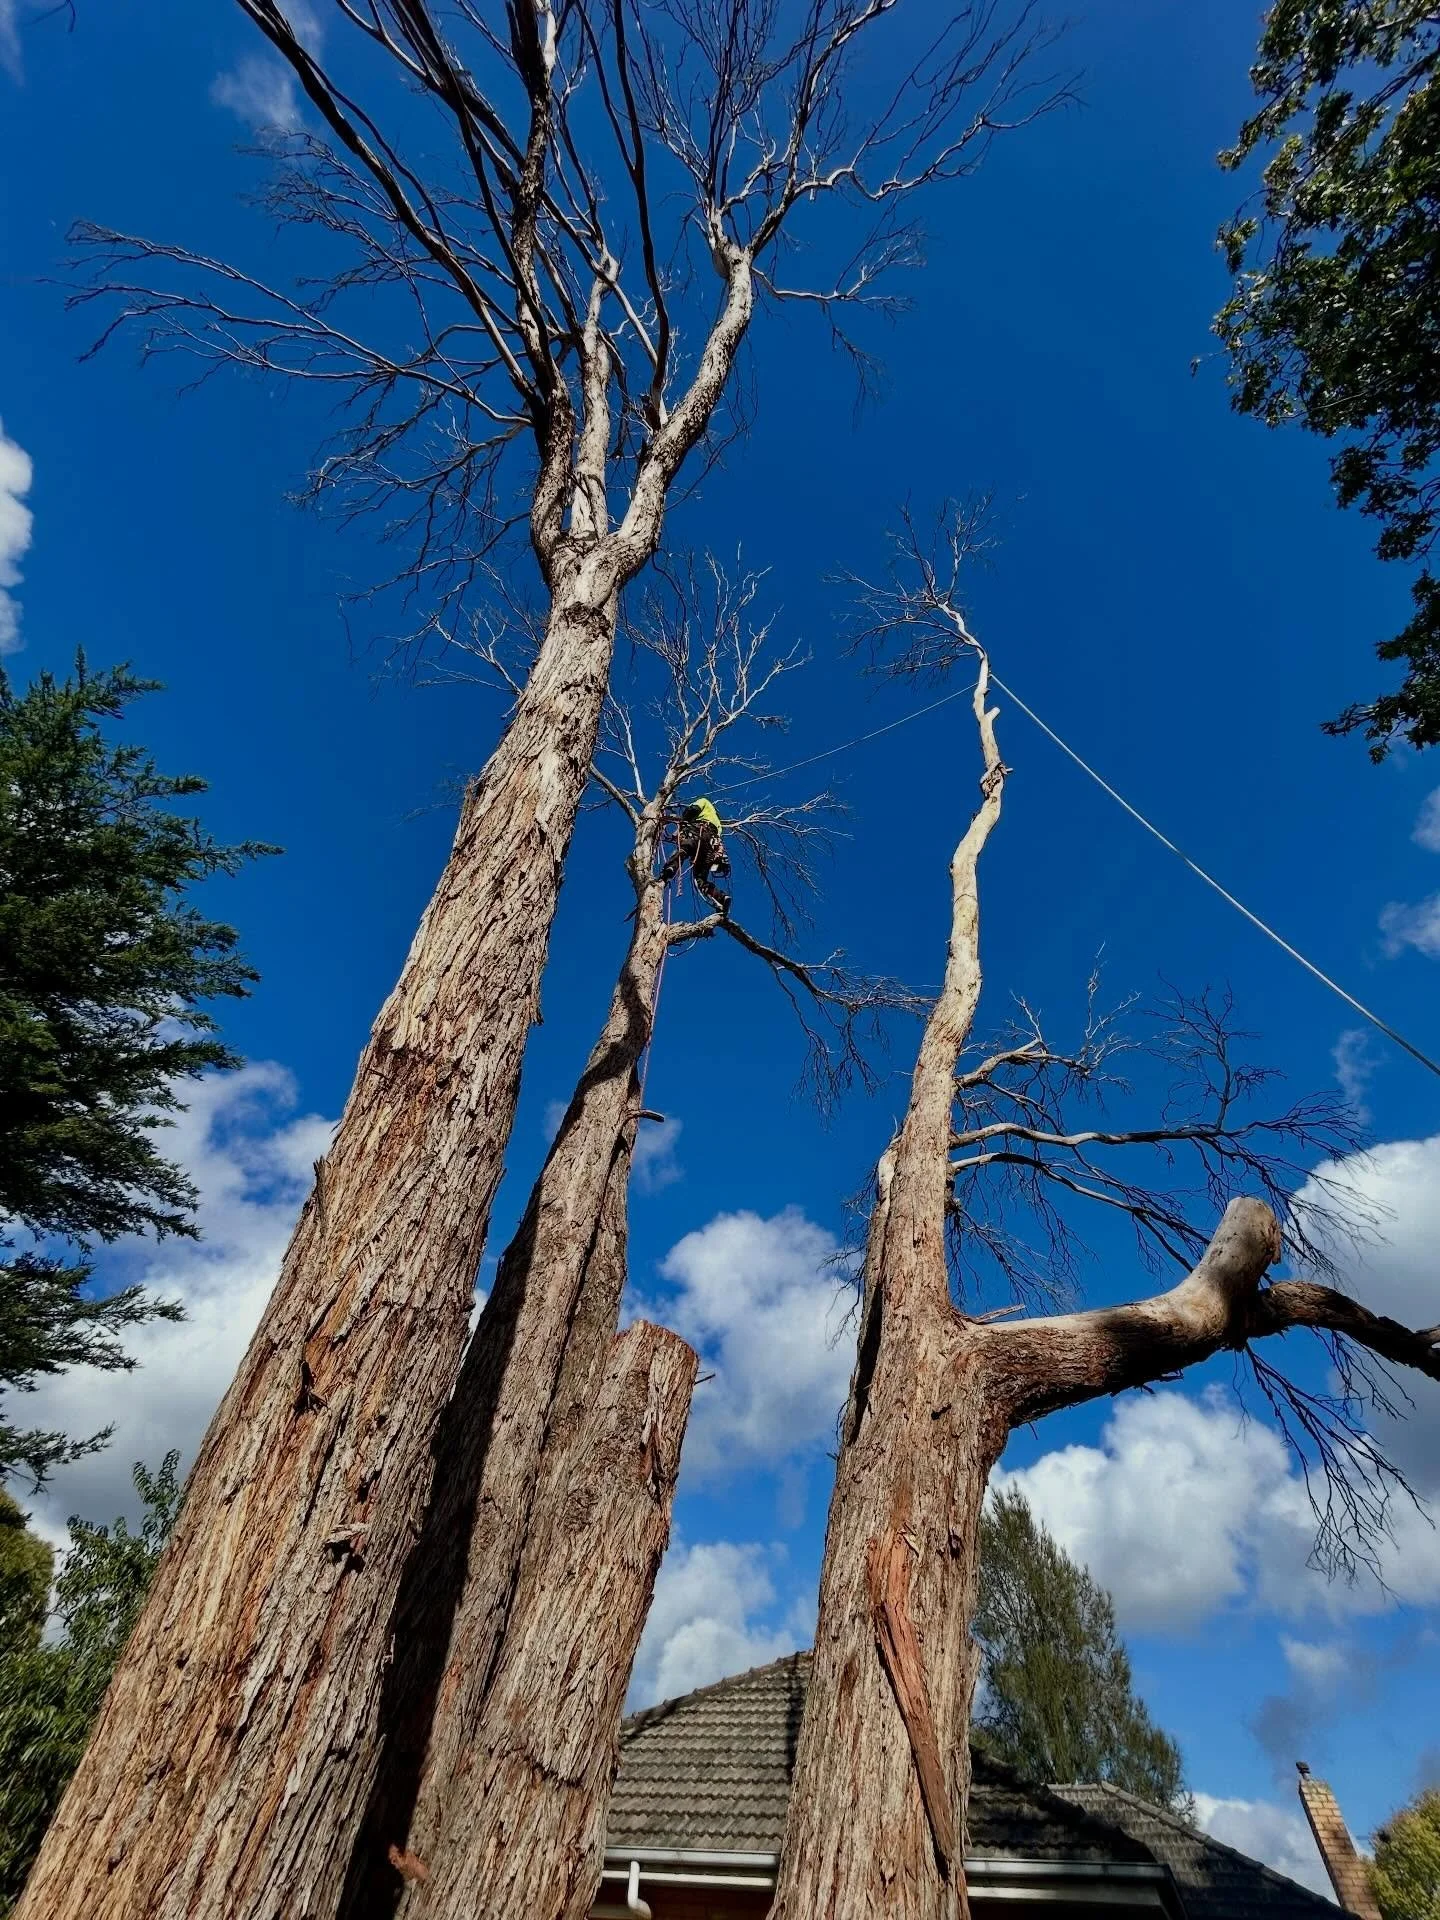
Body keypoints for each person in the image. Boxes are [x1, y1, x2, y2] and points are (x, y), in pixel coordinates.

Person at [661, 795, 731, 912]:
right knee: (700, 880)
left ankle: (670, 869)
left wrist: (683, 823)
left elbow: (693, 810)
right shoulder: (718, 824)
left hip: (699, 831)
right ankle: (722, 898)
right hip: (710, 846)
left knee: (685, 849)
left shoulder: (704, 801)